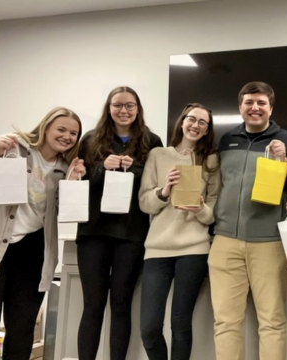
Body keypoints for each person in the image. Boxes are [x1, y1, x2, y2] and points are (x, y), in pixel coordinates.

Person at [208, 81, 287, 360]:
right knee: (225, 322)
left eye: (261, 103)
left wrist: (285, 162)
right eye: (249, 102)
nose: (255, 108)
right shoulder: (226, 140)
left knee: (272, 322)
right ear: (240, 107)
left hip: (270, 243)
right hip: (225, 241)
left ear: (270, 108)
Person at [0, 107, 85, 360]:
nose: (67, 136)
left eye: (73, 133)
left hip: (33, 250)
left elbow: (65, 213)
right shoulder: (12, 145)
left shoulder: (64, 167)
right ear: (46, 127)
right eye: (61, 129)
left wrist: (73, 182)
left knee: (23, 325)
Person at [76, 86, 163, 360]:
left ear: (138, 109)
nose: (123, 111)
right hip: (93, 232)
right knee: (92, 305)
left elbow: (155, 187)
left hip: (132, 234)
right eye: (117, 105)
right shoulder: (91, 139)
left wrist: (133, 169)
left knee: (121, 304)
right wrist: (103, 167)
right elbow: (78, 185)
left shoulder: (152, 141)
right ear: (109, 108)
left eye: (129, 105)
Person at [138, 102, 221, 360]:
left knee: (180, 325)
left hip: (194, 249)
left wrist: (199, 209)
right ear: (182, 122)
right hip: (157, 250)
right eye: (191, 119)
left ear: (207, 130)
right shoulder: (158, 155)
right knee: (149, 329)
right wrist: (163, 192)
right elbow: (144, 203)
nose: (195, 125)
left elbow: (213, 212)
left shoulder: (211, 161)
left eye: (202, 123)